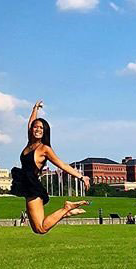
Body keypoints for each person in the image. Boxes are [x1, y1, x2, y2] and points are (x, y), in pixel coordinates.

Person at [10, 100, 89, 235]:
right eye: (36, 127)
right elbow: (30, 123)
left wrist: (81, 177)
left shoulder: (44, 149)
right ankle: (65, 213)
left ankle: (66, 208)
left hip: (33, 187)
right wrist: (35, 109)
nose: (38, 129)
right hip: (27, 185)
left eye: (41, 128)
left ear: (45, 131)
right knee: (36, 227)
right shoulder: (30, 143)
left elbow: (62, 164)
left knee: (41, 229)